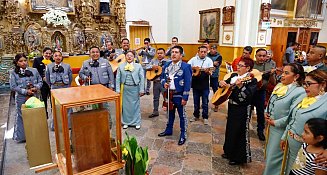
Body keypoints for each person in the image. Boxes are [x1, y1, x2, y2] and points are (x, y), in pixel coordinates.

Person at [280, 69, 327, 175]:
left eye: (309, 84)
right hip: (293, 142)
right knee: (290, 169)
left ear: (322, 84)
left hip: (310, 148)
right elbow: (292, 118)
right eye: (304, 83)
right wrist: (285, 136)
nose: (305, 87)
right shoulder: (303, 96)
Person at [263, 63, 306, 175]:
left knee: (275, 158)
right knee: (269, 155)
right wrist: (266, 112)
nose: (282, 75)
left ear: (296, 76)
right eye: (282, 72)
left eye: (286, 73)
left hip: (281, 129)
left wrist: (276, 122)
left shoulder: (299, 92)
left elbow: (293, 114)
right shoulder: (280, 86)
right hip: (271, 127)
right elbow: (271, 101)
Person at [220, 57, 257, 165]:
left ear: (248, 68)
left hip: (242, 109)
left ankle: (237, 157)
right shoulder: (233, 75)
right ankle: (228, 151)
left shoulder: (251, 80)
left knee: (239, 131)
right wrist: (221, 83)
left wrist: (241, 86)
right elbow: (224, 85)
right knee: (230, 129)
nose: (238, 67)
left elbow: (248, 97)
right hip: (232, 107)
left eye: (241, 66)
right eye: (238, 65)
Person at [158, 45, 192, 145]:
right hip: (169, 94)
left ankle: (183, 134)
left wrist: (185, 97)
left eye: (176, 52)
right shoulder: (167, 65)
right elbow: (162, 77)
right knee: (170, 114)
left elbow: (187, 83)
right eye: (172, 52)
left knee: (182, 115)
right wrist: (164, 83)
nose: (173, 54)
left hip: (179, 95)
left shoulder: (186, 67)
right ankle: (169, 130)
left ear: (181, 55)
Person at [10, 54, 43, 143]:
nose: (24, 63)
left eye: (25, 60)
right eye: (21, 61)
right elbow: (13, 87)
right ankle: (22, 137)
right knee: (21, 116)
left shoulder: (34, 70)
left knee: (35, 115)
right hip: (21, 98)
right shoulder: (13, 73)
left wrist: (36, 87)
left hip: (34, 96)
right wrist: (25, 91)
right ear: (17, 63)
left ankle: (36, 135)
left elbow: (40, 81)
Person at [116, 51, 145, 129]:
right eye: (127, 55)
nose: (129, 57)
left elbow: (142, 78)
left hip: (135, 88)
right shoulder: (121, 66)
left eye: (131, 56)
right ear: (125, 57)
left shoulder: (138, 66)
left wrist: (142, 90)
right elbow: (118, 78)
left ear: (134, 57)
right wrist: (117, 90)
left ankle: (136, 122)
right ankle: (126, 122)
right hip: (125, 89)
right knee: (125, 106)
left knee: (135, 106)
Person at [45, 51, 72, 130]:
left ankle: (69, 125)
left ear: (62, 57)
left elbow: (70, 77)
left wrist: (67, 85)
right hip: (55, 87)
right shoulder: (49, 66)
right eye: (56, 56)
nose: (58, 57)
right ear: (53, 57)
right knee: (55, 107)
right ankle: (55, 126)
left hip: (65, 86)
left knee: (67, 106)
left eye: (59, 56)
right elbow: (47, 78)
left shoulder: (67, 66)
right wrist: (52, 86)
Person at [252, 48, 275, 141]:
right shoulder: (251, 65)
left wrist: (272, 74)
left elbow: (273, 82)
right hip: (250, 92)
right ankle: (244, 128)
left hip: (261, 92)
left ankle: (260, 131)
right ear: (256, 56)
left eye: (264, 56)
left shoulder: (270, 65)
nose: (262, 58)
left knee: (260, 112)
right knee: (247, 110)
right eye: (259, 56)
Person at [188, 46, 213, 125]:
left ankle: (205, 117)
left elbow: (211, 72)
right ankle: (196, 115)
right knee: (196, 101)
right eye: (201, 52)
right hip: (195, 83)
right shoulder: (193, 59)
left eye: (204, 52)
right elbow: (188, 67)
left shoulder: (209, 60)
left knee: (205, 102)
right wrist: (195, 68)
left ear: (207, 52)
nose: (203, 53)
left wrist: (208, 71)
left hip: (205, 84)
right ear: (198, 52)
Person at [146, 48, 168, 118]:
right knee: (155, 98)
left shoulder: (168, 62)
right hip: (155, 82)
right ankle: (155, 111)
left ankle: (169, 111)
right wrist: (152, 67)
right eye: (158, 53)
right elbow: (146, 66)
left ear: (164, 54)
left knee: (166, 97)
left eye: (161, 53)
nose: (159, 55)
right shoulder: (153, 61)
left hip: (164, 83)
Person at [33, 47, 53, 119]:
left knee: (53, 100)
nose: (48, 55)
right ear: (43, 53)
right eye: (46, 53)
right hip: (42, 84)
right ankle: (45, 114)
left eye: (50, 53)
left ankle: (54, 113)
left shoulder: (53, 60)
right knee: (43, 99)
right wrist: (42, 77)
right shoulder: (37, 60)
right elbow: (35, 72)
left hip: (52, 83)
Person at [207, 44, 222, 112]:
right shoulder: (207, 55)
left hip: (214, 75)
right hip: (206, 75)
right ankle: (205, 102)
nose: (212, 50)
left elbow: (216, 65)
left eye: (214, 49)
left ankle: (216, 104)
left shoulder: (219, 56)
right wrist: (212, 63)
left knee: (215, 90)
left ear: (216, 49)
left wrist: (210, 63)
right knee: (205, 89)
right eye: (211, 48)